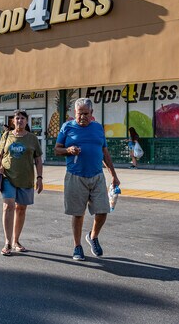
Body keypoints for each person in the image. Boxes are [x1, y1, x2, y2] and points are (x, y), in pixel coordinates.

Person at [54, 98, 120, 261]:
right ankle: (77, 246)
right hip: (75, 176)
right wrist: (68, 150)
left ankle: (92, 236)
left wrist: (114, 175)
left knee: (103, 211)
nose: (82, 117)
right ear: (74, 113)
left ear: (92, 114)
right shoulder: (67, 127)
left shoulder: (98, 128)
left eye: (85, 114)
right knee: (78, 213)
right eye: (79, 113)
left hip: (97, 175)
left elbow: (105, 152)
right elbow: (56, 149)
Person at [0, 109, 44, 256]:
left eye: (22, 118)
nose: (20, 120)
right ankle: (7, 242)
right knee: (8, 206)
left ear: (27, 121)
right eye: (17, 118)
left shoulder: (32, 138)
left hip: (26, 178)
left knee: (21, 209)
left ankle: (16, 240)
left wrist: (40, 178)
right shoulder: (6, 135)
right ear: (13, 121)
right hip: (8, 177)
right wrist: (0, 166)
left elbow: (38, 159)